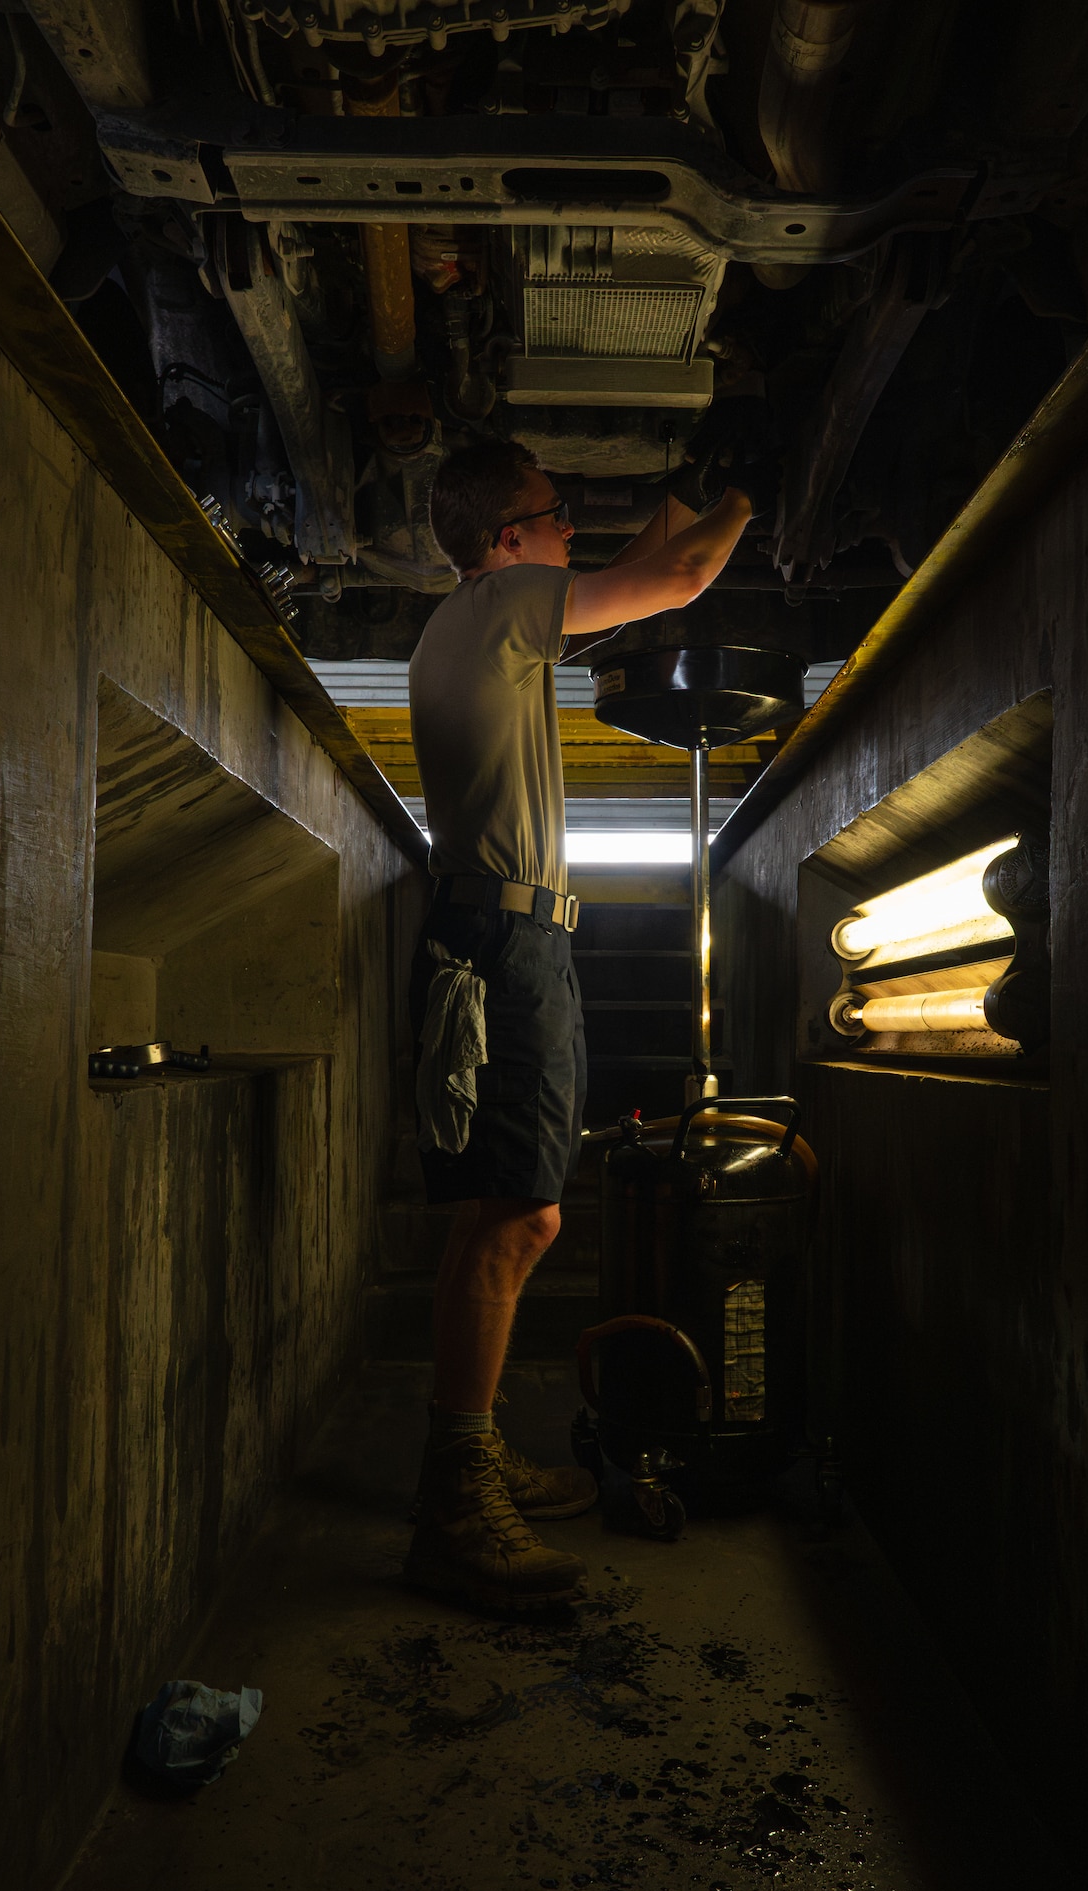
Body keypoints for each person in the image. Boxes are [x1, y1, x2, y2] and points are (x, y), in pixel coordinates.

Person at [403, 423, 779, 1613]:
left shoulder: (479, 619)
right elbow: (670, 579)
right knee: (525, 1214)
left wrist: (684, 491)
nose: (570, 530)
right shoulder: (507, 600)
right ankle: (456, 1506)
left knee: (494, 1213)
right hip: (507, 942)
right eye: (555, 513)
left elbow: (634, 565)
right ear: (507, 540)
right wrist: (751, 495)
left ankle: (467, 1454)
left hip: (495, 929)